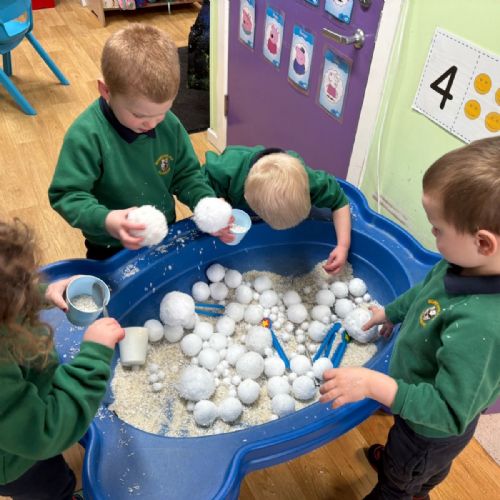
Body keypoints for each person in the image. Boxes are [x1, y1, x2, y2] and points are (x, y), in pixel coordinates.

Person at [319, 137, 500, 500]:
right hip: (414, 409)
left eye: (438, 229)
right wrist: (390, 312)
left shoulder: (482, 326)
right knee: (407, 459)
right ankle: (405, 471)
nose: (433, 235)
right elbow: (425, 291)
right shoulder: (461, 263)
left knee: (402, 481)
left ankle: (406, 484)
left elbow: (449, 413)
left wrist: (375, 385)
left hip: (430, 433)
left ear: (483, 243)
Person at [48, 24, 227, 261]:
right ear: (106, 91)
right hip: (110, 244)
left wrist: (205, 201)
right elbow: (67, 194)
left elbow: (186, 175)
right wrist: (107, 220)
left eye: (162, 112)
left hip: (161, 232)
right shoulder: (87, 136)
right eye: (139, 115)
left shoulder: (169, 125)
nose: (152, 124)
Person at [0, 218, 125, 500]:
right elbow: (43, 432)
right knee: (51, 488)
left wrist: (43, 293)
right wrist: (93, 355)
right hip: (15, 463)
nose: (28, 289)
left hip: (20, 423)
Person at [202, 145, 351, 274]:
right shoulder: (227, 169)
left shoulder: (308, 181)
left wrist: (343, 245)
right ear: (246, 197)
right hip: (230, 194)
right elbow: (197, 184)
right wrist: (213, 205)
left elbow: (340, 201)